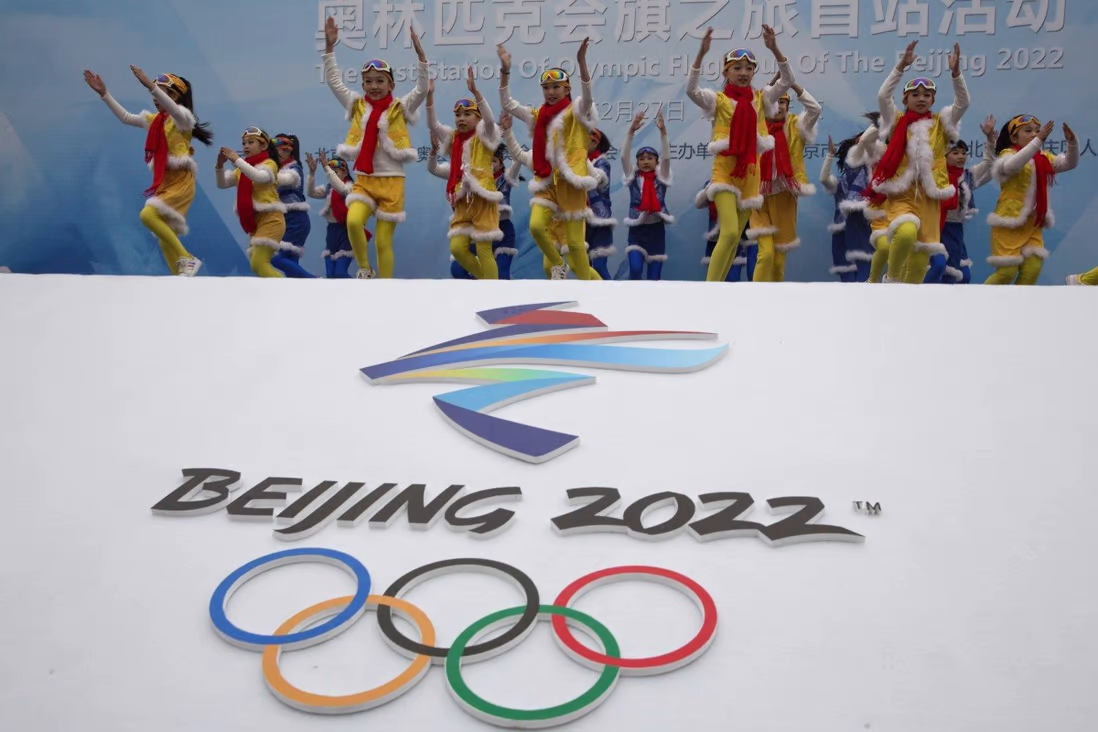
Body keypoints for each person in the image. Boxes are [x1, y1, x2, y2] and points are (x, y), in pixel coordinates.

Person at [322, 17, 429, 279]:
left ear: (391, 85)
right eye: (368, 81)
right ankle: (364, 268)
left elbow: (422, 89)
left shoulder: (399, 107)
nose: (374, 86)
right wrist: (329, 48)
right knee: (353, 221)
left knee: (383, 242)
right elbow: (334, 82)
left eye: (380, 81)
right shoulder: (357, 105)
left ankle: (385, 287)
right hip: (365, 180)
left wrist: (421, 56)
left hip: (392, 182)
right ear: (362, 85)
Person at [686, 24, 794, 282]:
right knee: (730, 232)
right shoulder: (718, 100)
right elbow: (691, 90)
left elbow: (788, 80)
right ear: (726, 72)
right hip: (725, 172)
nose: (743, 73)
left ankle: (719, 288)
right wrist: (701, 54)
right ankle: (708, 290)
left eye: (748, 68)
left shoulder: (761, 98)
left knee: (735, 240)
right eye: (737, 68)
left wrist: (774, 48)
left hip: (751, 174)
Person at [83, 66, 213, 276]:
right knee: (163, 236)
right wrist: (105, 94)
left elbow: (175, 111)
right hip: (166, 181)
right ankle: (181, 277)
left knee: (148, 215)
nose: (155, 97)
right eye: (155, 92)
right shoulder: (156, 121)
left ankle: (187, 258)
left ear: (175, 97)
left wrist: (151, 86)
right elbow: (126, 117)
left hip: (181, 181)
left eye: (162, 92)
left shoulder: (182, 120)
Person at [498, 38, 602, 280]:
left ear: (567, 89)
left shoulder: (576, 112)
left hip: (571, 184)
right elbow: (508, 104)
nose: (551, 92)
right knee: (536, 226)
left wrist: (581, 62)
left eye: (556, 87)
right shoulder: (537, 116)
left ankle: (597, 293)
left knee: (576, 248)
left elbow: (587, 97)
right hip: (546, 183)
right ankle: (557, 264)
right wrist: (505, 71)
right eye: (546, 88)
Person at [868, 41, 969, 284]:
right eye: (915, 95)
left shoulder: (941, 123)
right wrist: (900, 67)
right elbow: (883, 96)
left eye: (927, 95)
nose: (921, 98)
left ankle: (906, 301)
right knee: (905, 232)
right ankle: (891, 279)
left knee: (919, 262)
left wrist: (956, 74)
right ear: (905, 99)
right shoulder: (896, 120)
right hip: (902, 194)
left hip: (930, 198)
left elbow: (963, 103)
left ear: (933, 99)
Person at [985, 115, 1078, 285]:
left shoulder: (1043, 158)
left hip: (1033, 224)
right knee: (1006, 272)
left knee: (1032, 269)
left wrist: (1072, 143)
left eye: (1037, 131)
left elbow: (1069, 163)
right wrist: (1038, 140)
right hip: (1009, 222)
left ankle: (1017, 303)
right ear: (1014, 138)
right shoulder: (1008, 154)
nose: (1034, 134)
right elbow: (1012, 166)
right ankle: (977, 300)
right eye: (1028, 131)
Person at [427, 71, 503, 280]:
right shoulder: (453, 138)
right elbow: (433, 125)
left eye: (467, 114)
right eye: (458, 115)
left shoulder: (484, 136)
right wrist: (429, 97)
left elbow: (490, 120)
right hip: (462, 200)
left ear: (478, 118)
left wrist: (476, 92)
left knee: (484, 250)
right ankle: (485, 281)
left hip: (483, 197)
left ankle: (493, 290)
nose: (461, 119)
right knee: (458, 248)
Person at [750, 74, 822, 282]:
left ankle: (775, 298)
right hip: (758, 197)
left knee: (779, 259)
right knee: (765, 254)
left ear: (788, 105)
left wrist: (793, 84)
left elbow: (815, 109)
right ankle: (754, 297)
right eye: (774, 101)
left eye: (782, 101)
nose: (778, 106)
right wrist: (772, 84)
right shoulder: (757, 125)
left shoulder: (797, 126)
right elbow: (755, 102)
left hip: (785, 195)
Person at [930, 116, 996, 284]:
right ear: (944, 156)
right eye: (955, 153)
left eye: (964, 153)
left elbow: (989, 164)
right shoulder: (935, 176)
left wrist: (990, 139)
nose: (961, 156)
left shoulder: (967, 176)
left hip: (956, 229)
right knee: (942, 269)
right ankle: (918, 295)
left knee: (964, 276)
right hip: (936, 227)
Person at [215, 128, 286, 277]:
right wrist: (219, 166)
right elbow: (222, 184)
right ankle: (281, 289)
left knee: (259, 262)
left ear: (263, 146)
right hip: (255, 222)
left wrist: (237, 160)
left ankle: (287, 290)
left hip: (271, 219)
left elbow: (259, 177)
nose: (245, 146)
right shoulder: (242, 168)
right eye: (244, 143)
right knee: (256, 264)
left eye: (250, 142)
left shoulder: (270, 164)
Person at [622, 108, 673, 281]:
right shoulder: (632, 177)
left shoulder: (662, 176)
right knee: (635, 269)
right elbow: (623, 156)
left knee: (654, 278)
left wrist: (663, 132)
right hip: (637, 231)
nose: (645, 161)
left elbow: (667, 157)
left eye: (650, 158)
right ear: (637, 162)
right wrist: (631, 131)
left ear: (656, 162)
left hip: (656, 232)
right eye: (642, 159)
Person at [306, 151, 371, 279]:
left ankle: (361, 289)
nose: (332, 174)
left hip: (346, 231)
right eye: (331, 172)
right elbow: (311, 193)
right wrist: (312, 173)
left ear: (345, 172)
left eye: (336, 172)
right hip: (332, 231)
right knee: (330, 274)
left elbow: (341, 189)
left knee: (340, 273)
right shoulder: (329, 188)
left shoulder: (351, 187)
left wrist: (327, 168)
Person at [271, 134, 315, 278]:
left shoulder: (294, 169)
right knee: (291, 269)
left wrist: (260, 173)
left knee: (275, 258)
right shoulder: (277, 169)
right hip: (285, 219)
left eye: (275, 150)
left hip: (296, 219)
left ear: (287, 151)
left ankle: (314, 280)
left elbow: (285, 179)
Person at [586, 128, 617, 280]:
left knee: (598, 266)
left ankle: (609, 294)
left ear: (595, 142)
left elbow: (596, 179)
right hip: (581, 220)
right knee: (584, 267)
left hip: (600, 221)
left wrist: (581, 158)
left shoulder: (602, 163)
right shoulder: (576, 163)